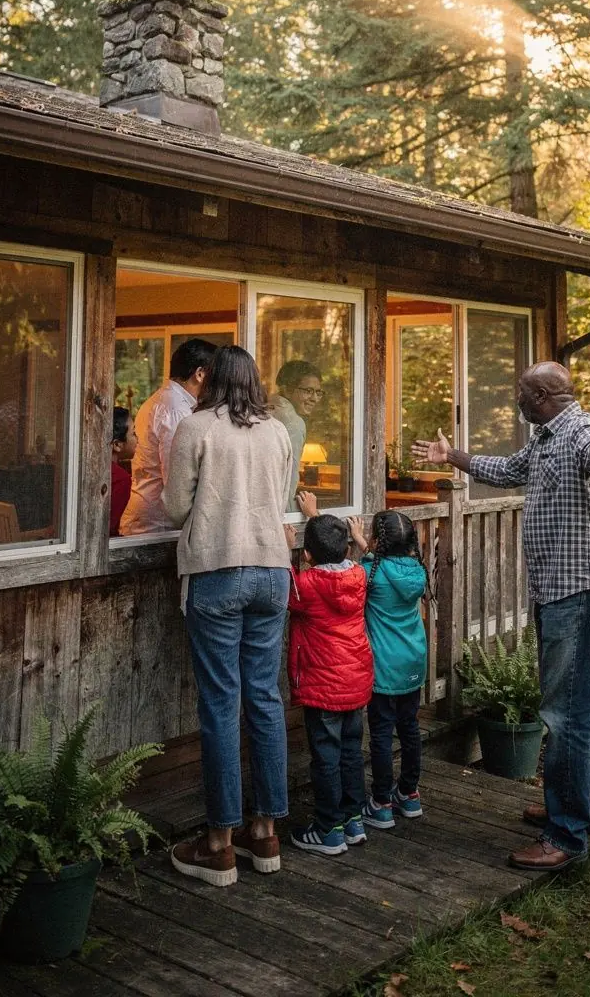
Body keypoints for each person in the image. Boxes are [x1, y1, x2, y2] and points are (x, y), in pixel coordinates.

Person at [412, 360, 590, 872]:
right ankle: (584, 809)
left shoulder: (582, 432)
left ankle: (565, 835)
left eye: (523, 395)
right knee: (572, 709)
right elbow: (509, 470)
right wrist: (452, 456)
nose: (516, 402)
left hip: (580, 590)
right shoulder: (545, 437)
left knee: (565, 717)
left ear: (546, 395)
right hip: (560, 590)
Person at [162, 345, 293, 887]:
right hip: (272, 571)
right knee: (264, 697)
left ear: (208, 378)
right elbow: (281, 497)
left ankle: (218, 845)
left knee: (221, 703)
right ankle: (264, 834)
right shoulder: (278, 430)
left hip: (217, 570)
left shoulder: (196, 428)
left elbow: (173, 507)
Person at [285, 490, 373, 856]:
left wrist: (284, 547)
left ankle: (328, 829)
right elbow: (330, 550)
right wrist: (315, 517)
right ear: (347, 549)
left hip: (323, 686)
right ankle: (353, 820)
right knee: (352, 752)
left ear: (306, 556)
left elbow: (288, 589)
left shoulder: (306, 585)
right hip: (355, 681)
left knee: (326, 756)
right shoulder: (358, 575)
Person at [361, 511, 428, 829]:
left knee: (382, 734)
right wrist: (369, 547)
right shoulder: (417, 570)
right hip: (413, 661)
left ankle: (381, 802)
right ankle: (409, 793)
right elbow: (385, 566)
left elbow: (362, 572)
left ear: (377, 540)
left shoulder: (370, 571)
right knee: (410, 729)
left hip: (384, 665)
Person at [119, 338, 216, 536]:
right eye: (215, 376)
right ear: (199, 374)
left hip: (152, 519)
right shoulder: (174, 409)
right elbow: (176, 477)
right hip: (156, 525)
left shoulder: (166, 401)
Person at [269, 360, 323, 509]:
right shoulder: (294, 424)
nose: (314, 398)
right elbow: (288, 480)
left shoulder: (263, 408)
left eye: (318, 392)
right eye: (308, 391)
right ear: (287, 390)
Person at [109, 406, 136, 537]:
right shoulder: (120, 479)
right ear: (117, 445)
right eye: (133, 433)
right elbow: (108, 528)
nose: (138, 439)